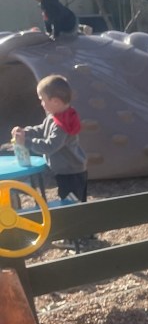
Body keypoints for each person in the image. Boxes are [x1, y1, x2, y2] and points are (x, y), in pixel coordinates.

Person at [13, 74, 90, 253]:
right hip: (69, 169)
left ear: (55, 101)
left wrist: (27, 142)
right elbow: (41, 129)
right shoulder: (55, 116)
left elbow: (50, 146)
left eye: (42, 99)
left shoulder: (62, 124)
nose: (41, 103)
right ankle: (84, 233)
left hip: (71, 171)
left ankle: (75, 238)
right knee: (75, 201)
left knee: (70, 203)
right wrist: (26, 132)